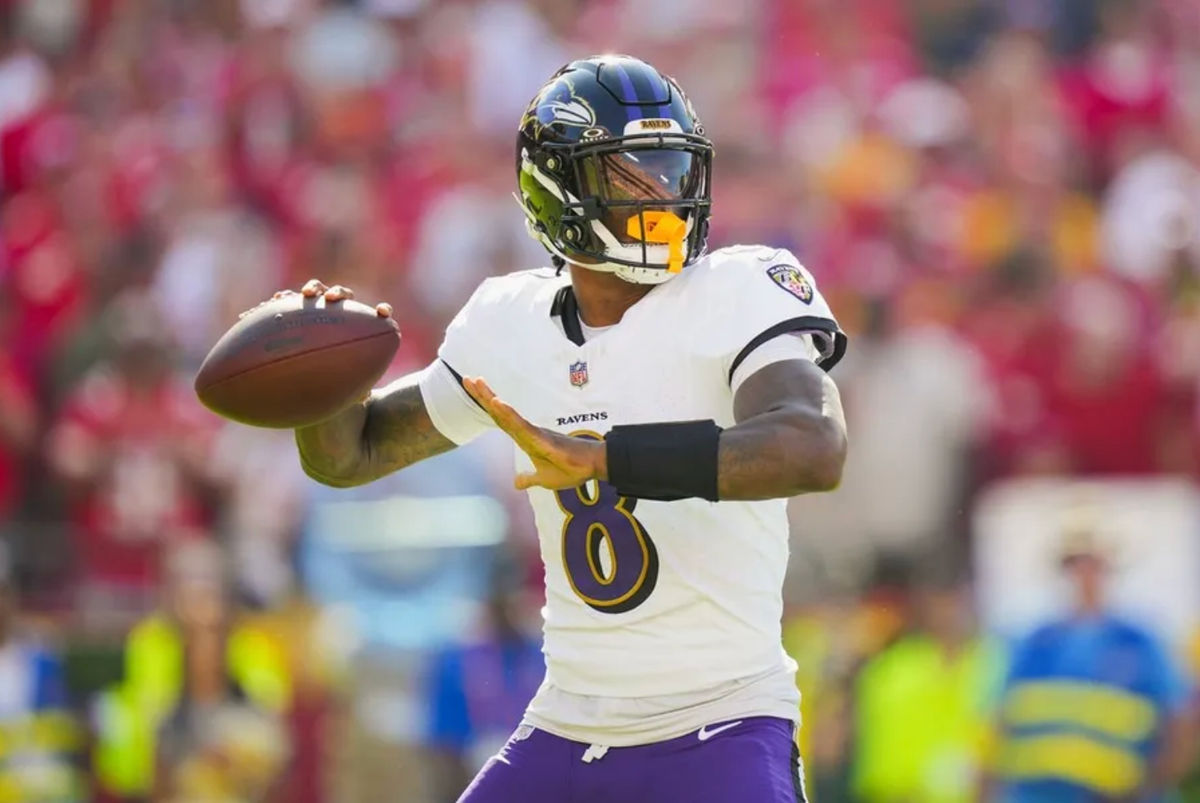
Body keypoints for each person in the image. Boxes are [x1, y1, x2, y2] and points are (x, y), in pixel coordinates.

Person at [272, 55, 848, 802]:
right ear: (558, 190)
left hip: (723, 719)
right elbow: (353, 454)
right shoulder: (510, 324)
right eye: (630, 175)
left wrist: (607, 459)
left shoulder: (738, 288)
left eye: (671, 168)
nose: (663, 194)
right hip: (569, 724)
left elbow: (812, 446)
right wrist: (320, 380)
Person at [990, 526, 1194, 802]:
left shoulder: (1140, 643)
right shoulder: (1032, 644)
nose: (1085, 575)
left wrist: (1147, 787)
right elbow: (998, 725)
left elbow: (1181, 726)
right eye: (1076, 565)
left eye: (1094, 565)